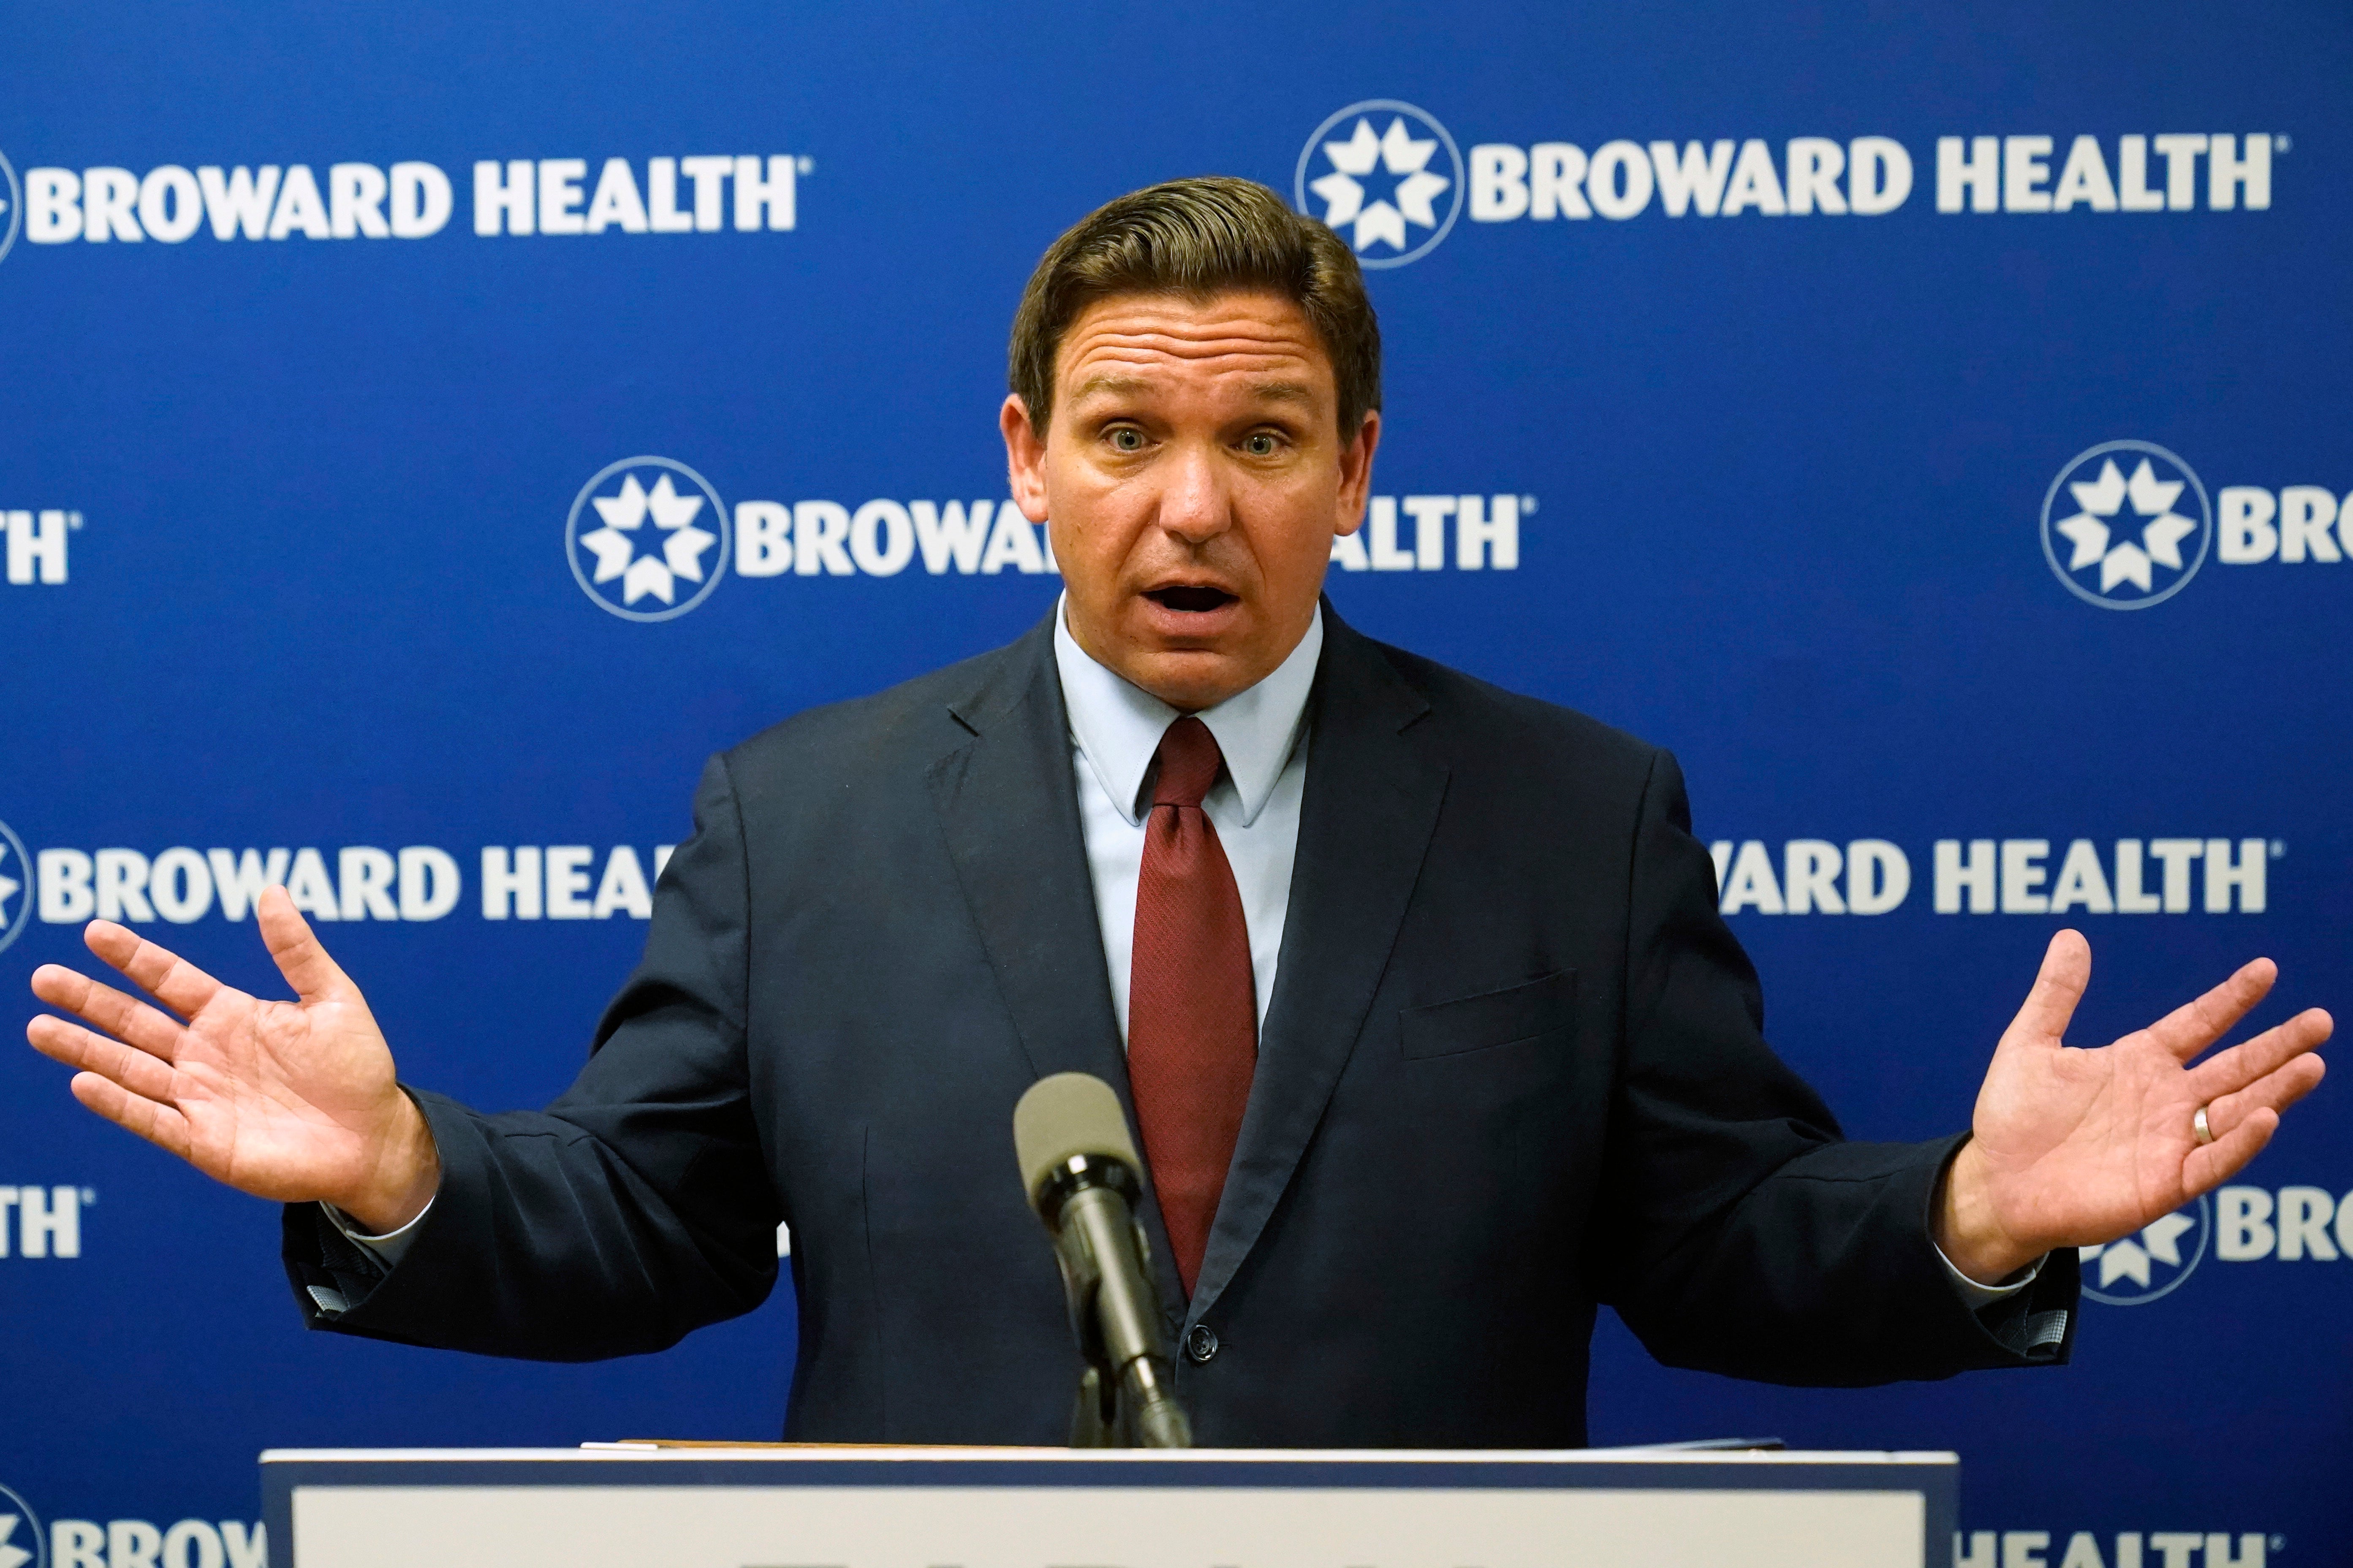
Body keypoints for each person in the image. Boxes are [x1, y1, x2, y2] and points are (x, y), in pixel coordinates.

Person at [24, 177, 2329, 1447]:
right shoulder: (800, 812)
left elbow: (1713, 1246)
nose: (1189, 505)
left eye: (1263, 438)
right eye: (1124, 435)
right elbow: (656, 1226)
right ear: (1021, 455)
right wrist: (404, 1169)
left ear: (1356, 468)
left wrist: (1973, 1210)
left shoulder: (1574, 811)